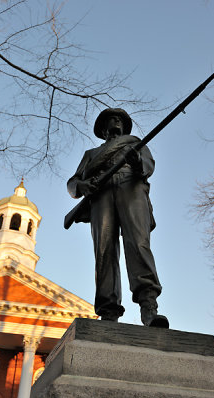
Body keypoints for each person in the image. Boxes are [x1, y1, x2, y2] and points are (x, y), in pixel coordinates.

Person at [67, 108, 169, 328]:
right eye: (111, 119)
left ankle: (148, 305)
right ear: (103, 129)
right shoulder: (91, 154)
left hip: (130, 187)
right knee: (104, 251)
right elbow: (73, 182)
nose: (116, 121)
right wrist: (82, 185)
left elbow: (148, 166)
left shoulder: (134, 143)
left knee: (138, 244)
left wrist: (136, 162)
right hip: (100, 195)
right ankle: (108, 311)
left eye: (119, 119)